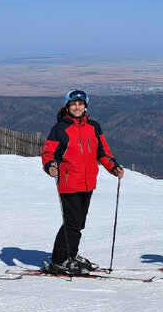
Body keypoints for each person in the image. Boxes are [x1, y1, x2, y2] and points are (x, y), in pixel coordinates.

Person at [40, 89, 124, 275]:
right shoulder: (60, 129)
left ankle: (70, 254)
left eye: (80, 104)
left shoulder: (93, 127)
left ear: (85, 106)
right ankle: (60, 260)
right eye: (73, 104)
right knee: (72, 223)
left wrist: (113, 168)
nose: (77, 107)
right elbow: (48, 153)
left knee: (78, 223)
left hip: (88, 183)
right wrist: (51, 166)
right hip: (69, 183)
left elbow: (103, 152)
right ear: (67, 106)